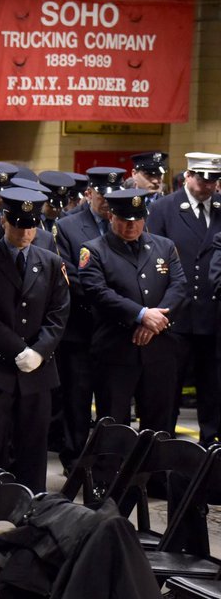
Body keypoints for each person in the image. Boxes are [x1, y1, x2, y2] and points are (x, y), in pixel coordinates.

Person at [0, 187, 69, 493]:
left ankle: (30, 515)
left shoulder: (50, 262)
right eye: (19, 224)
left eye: (31, 224)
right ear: (4, 220)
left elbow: (59, 312)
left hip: (38, 373)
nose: (25, 231)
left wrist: (38, 351)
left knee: (33, 452)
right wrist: (18, 349)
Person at [79, 188, 187, 437]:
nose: (131, 226)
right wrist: (140, 314)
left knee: (158, 425)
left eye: (137, 219)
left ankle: (155, 476)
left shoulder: (164, 246)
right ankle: (110, 476)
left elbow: (179, 286)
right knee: (113, 425)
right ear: (111, 217)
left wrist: (153, 322)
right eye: (125, 220)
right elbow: (97, 291)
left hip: (159, 349)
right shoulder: (93, 250)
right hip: (116, 350)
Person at [150, 153, 221, 447]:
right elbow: (154, 261)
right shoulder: (164, 208)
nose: (207, 186)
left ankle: (211, 455)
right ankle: (161, 452)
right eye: (202, 178)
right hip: (175, 316)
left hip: (213, 316)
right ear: (188, 175)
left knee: (213, 392)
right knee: (167, 394)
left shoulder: (220, 209)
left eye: (213, 180)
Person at [54, 167, 122, 464]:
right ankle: (76, 460)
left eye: (113, 196)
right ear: (89, 193)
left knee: (113, 400)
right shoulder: (68, 226)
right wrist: (110, 294)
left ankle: (108, 461)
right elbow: (67, 274)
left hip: (115, 328)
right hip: (81, 326)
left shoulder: (125, 224)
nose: (108, 202)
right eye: (102, 196)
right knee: (76, 400)